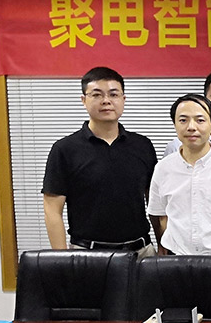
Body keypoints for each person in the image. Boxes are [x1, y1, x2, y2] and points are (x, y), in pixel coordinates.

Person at [42, 66, 157, 257]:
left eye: (113, 94)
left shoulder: (142, 145)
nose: (106, 101)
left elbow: (155, 203)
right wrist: (61, 260)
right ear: (83, 100)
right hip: (87, 254)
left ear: (123, 99)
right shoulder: (65, 149)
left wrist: (162, 245)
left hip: (141, 252)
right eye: (96, 95)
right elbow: (52, 209)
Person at [148, 94, 211, 256]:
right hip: (176, 257)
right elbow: (160, 216)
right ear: (175, 124)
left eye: (200, 120)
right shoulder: (163, 168)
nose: (191, 127)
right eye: (183, 120)